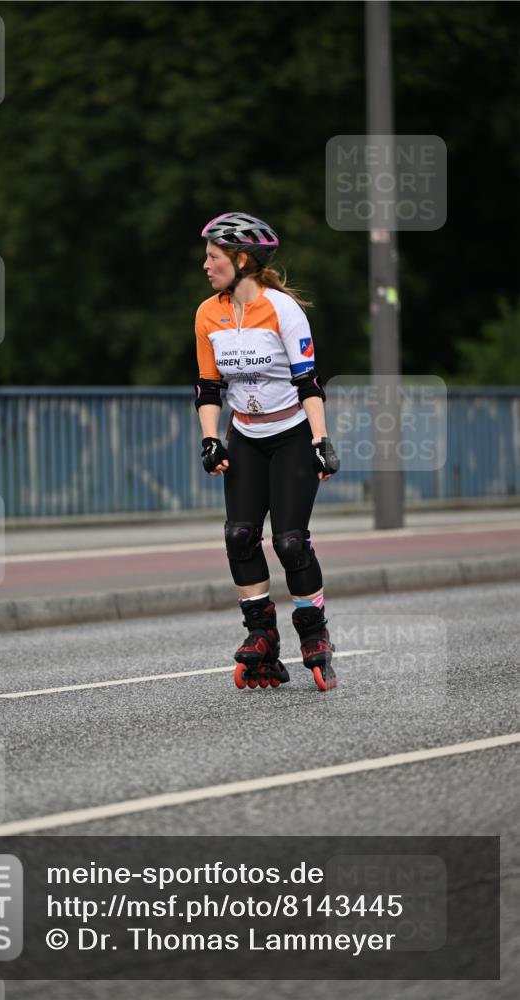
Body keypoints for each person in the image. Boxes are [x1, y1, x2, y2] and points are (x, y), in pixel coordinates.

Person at [194, 212, 340, 691]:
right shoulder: (207, 314)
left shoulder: (282, 310)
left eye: (213, 257)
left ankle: (313, 636)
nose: (206, 265)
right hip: (247, 438)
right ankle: (261, 638)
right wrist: (211, 439)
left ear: (242, 260)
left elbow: (308, 382)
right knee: (239, 536)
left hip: (292, 436)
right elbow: (208, 387)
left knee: (290, 541)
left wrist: (321, 441)